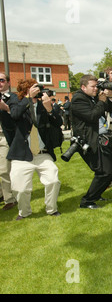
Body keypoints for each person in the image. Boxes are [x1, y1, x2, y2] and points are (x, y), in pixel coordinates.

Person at [5, 79, 62, 220]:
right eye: (32, 89)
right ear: (25, 92)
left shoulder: (44, 104)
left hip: (42, 153)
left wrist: (49, 109)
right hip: (22, 154)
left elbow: (58, 122)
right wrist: (28, 99)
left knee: (53, 180)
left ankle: (51, 209)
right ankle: (24, 212)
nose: (36, 92)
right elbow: (15, 115)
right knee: (21, 188)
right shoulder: (17, 103)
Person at [71, 75, 112, 209]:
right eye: (93, 86)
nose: (96, 89)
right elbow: (92, 116)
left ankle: (96, 194)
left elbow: (110, 109)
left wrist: (108, 97)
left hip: (102, 139)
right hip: (89, 141)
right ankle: (87, 201)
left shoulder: (94, 97)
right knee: (104, 172)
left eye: (96, 86)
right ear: (83, 87)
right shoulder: (78, 99)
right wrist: (101, 101)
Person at [0, 73, 18, 211]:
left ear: (8, 82)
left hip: (4, 136)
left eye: (1, 80)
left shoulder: (13, 97)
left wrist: (6, 108)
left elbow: (18, 116)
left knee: (4, 169)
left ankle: (9, 198)